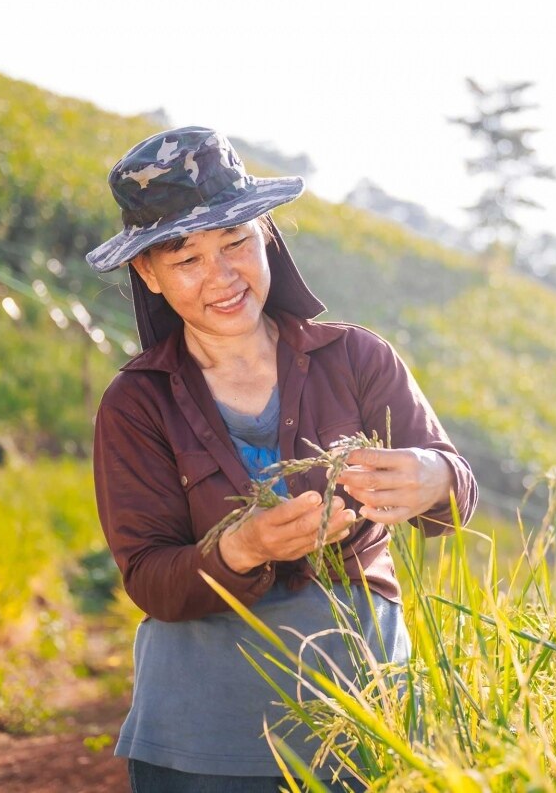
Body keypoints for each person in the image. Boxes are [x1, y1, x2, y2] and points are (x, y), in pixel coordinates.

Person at [84, 126, 478, 792]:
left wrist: (433, 476)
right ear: (147, 273)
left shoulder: (357, 358)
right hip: (201, 747)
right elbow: (149, 576)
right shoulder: (135, 406)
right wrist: (240, 547)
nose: (222, 276)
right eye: (187, 260)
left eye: (236, 242)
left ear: (266, 232)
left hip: (364, 726)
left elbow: (454, 493)